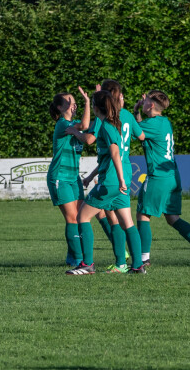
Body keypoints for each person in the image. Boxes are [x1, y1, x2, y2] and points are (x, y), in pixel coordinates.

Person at [66, 90, 145, 275]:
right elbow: (107, 158)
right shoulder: (111, 122)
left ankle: (87, 264)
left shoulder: (106, 125)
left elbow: (115, 152)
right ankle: (136, 265)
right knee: (126, 222)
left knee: (82, 217)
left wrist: (119, 180)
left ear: (96, 107)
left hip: (111, 182)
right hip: (117, 179)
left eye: (92, 102)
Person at [133, 90, 190, 267]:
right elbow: (143, 134)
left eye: (145, 100)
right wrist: (138, 112)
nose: (142, 101)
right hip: (172, 176)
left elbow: (133, 130)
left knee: (143, 215)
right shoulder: (163, 122)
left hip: (158, 177)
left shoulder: (153, 123)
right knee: (172, 218)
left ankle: (144, 259)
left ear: (151, 105)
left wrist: (129, 114)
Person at [47, 87, 90, 267]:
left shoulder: (75, 123)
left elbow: (89, 127)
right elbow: (85, 127)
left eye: (74, 101)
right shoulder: (63, 125)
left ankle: (73, 256)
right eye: (69, 101)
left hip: (74, 177)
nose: (73, 104)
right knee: (72, 218)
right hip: (60, 177)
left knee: (80, 216)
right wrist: (88, 102)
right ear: (59, 107)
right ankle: (79, 260)